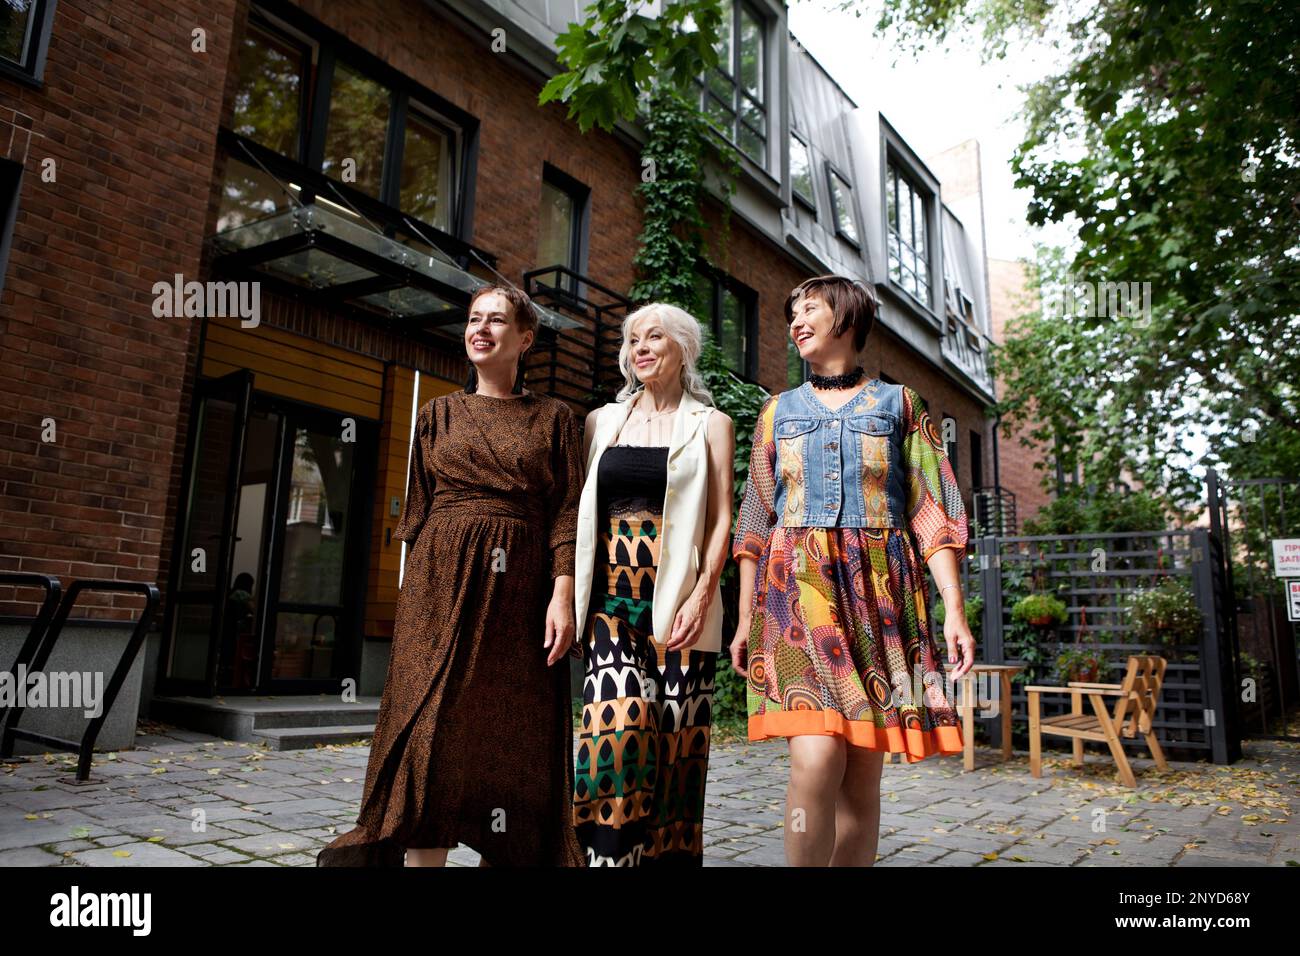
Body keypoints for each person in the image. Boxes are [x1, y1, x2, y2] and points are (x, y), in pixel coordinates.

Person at [316, 283, 586, 867]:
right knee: (429, 732)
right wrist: (412, 600)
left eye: (496, 320)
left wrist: (562, 595)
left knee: (510, 736)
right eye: (473, 319)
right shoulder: (435, 414)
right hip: (437, 586)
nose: (481, 329)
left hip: (519, 590)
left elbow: (568, 514)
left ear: (526, 338)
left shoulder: (556, 419)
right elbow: (417, 512)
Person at [730, 274, 974, 867]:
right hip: (797, 597)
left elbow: (932, 510)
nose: (795, 321)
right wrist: (742, 619)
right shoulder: (775, 412)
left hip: (880, 597)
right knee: (816, 760)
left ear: (846, 316)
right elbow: (756, 519)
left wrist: (954, 612)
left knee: (861, 780)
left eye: (809, 308)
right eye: (792, 312)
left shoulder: (901, 405)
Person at [571, 301, 734, 866]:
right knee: (614, 738)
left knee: (675, 748)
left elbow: (722, 519)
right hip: (611, 605)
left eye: (654, 337)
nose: (640, 347)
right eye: (633, 339)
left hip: (682, 609)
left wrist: (704, 592)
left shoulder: (710, 424)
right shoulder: (601, 421)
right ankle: (606, 860)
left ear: (682, 348)